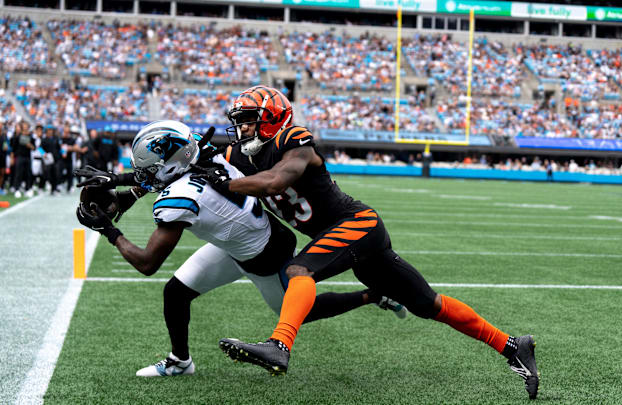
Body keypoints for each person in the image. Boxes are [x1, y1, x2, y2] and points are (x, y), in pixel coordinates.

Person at [192, 86, 539, 399]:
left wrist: (226, 183)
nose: (242, 130)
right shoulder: (239, 154)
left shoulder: (294, 140)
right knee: (427, 304)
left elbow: (274, 181)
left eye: (249, 121)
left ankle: (279, 345)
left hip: (357, 223)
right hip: (350, 239)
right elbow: (201, 171)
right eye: (239, 123)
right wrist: (152, 178)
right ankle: (512, 345)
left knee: (298, 270)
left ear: (272, 119)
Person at [75, 120, 407, 378]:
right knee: (175, 293)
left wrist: (109, 230)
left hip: (261, 253)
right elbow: (165, 174)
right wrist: (116, 182)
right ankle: (180, 361)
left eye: (148, 168)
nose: (144, 174)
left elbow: (147, 262)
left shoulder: (180, 198)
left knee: (298, 312)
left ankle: (374, 295)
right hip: (239, 240)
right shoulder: (205, 156)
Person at [10, 121, 35, 198]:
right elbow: (13, 149)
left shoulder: (31, 137)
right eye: (23, 125)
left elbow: (34, 148)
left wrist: (29, 145)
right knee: (18, 173)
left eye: (26, 125)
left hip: (27, 157)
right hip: (20, 157)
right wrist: (12, 158)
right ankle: (17, 189)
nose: (25, 126)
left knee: (28, 174)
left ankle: (27, 189)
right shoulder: (17, 137)